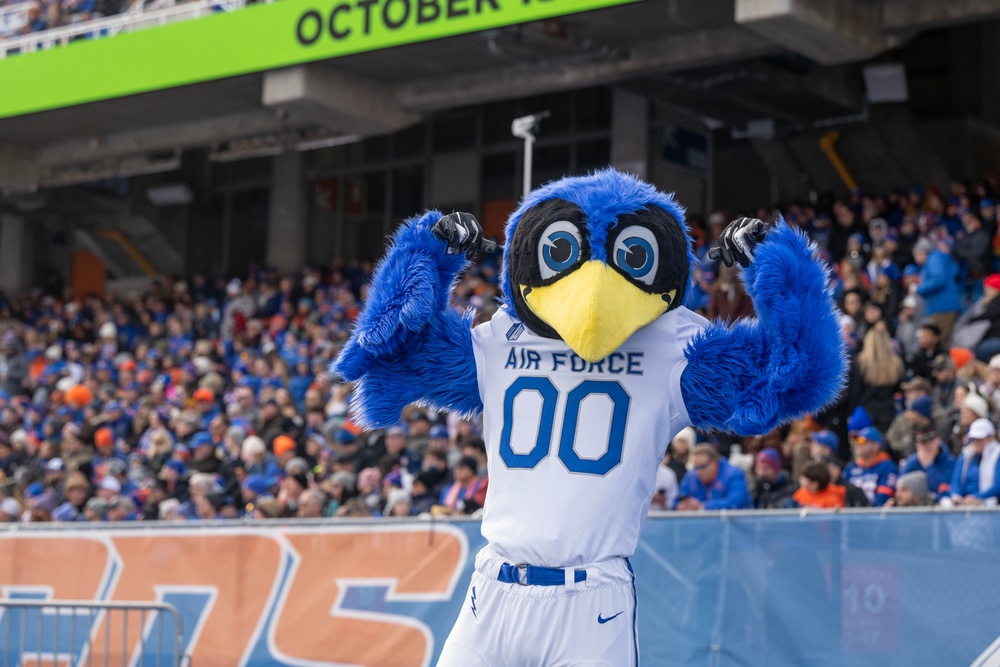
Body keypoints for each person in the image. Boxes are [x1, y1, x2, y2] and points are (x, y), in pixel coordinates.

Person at [849, 326, 904, 434]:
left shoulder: (862, 363)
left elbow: (855, 391)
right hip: (888, 412)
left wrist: (850, 413)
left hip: (866, 412)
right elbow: (899, 390)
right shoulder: (897, 364)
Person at [944, 418, 1000, 506]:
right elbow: (956, 480)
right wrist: (956, 496)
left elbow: (998, 485)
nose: (976, 442)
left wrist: (977, 497)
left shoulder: (997, 454)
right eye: (974, 439)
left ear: (990, 437)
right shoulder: (966, 455)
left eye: (980, 439)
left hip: (988, 504)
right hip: (965, 502)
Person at [675, 445, 751, 511]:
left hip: (732, 525)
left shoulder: (734, 474)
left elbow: (736, 503)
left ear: (714, 463)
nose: (698, 472)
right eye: (695, 468)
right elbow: (677, 502)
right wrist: (681, 506)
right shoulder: (691, 476)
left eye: (702, 467)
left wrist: (703, 507)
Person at [843, 427, 897, 506]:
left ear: (876, 445)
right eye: (856, 441)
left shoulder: (888, 467)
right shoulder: (850, 468)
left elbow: (883, 497)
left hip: (874, 515)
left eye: (862, 441)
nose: (858, 444)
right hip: (850, 515)